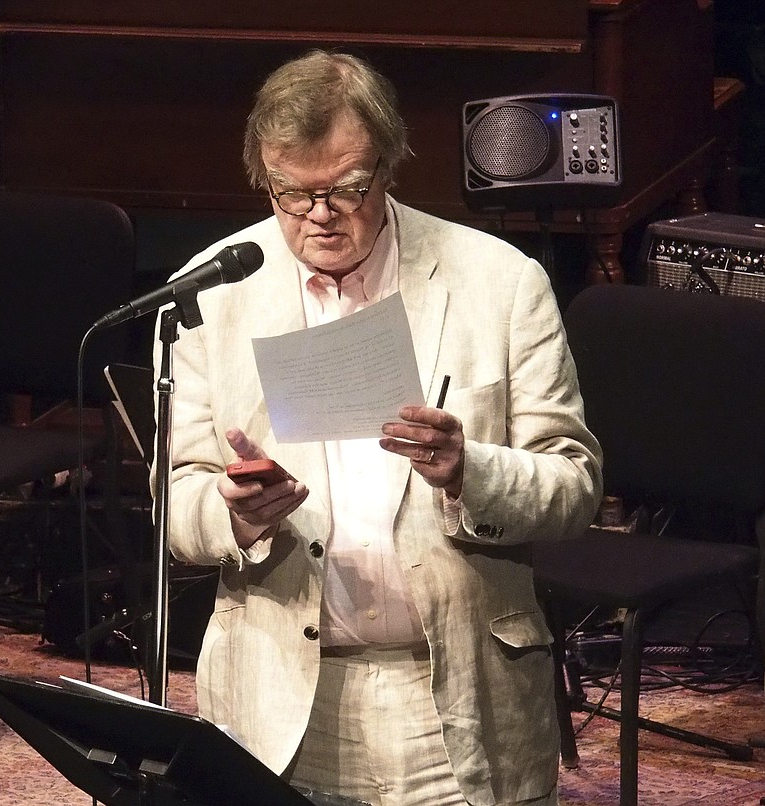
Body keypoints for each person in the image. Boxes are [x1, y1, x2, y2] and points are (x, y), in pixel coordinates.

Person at [152, 50, 603, 806]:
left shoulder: (499, 281)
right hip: (280, 701)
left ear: (391, 166)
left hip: (457, 699)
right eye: (291, 193)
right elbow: (175, 502)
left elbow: (574, 484)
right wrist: (234, 513)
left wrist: (470, 472)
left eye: (346, 189)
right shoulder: (209, 294)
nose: (319, 216)